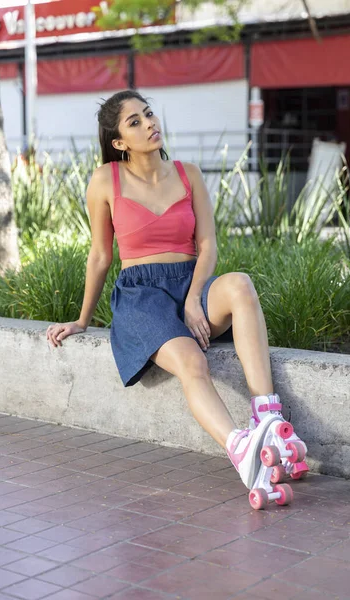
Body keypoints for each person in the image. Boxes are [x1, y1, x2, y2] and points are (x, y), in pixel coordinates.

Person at [46, 89, 307, 499]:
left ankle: (268, 420)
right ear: (118, 142)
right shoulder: (105, 181)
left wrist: (193, 298)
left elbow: (209, 246)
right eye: (135, 122)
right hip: (140, 297)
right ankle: (241, 450)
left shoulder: (189, 174)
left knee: (239, 284)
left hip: (191, 284)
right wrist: (82, 319)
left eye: (148, 114)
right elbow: (99, 256)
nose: (150, 123)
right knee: (191, 362)